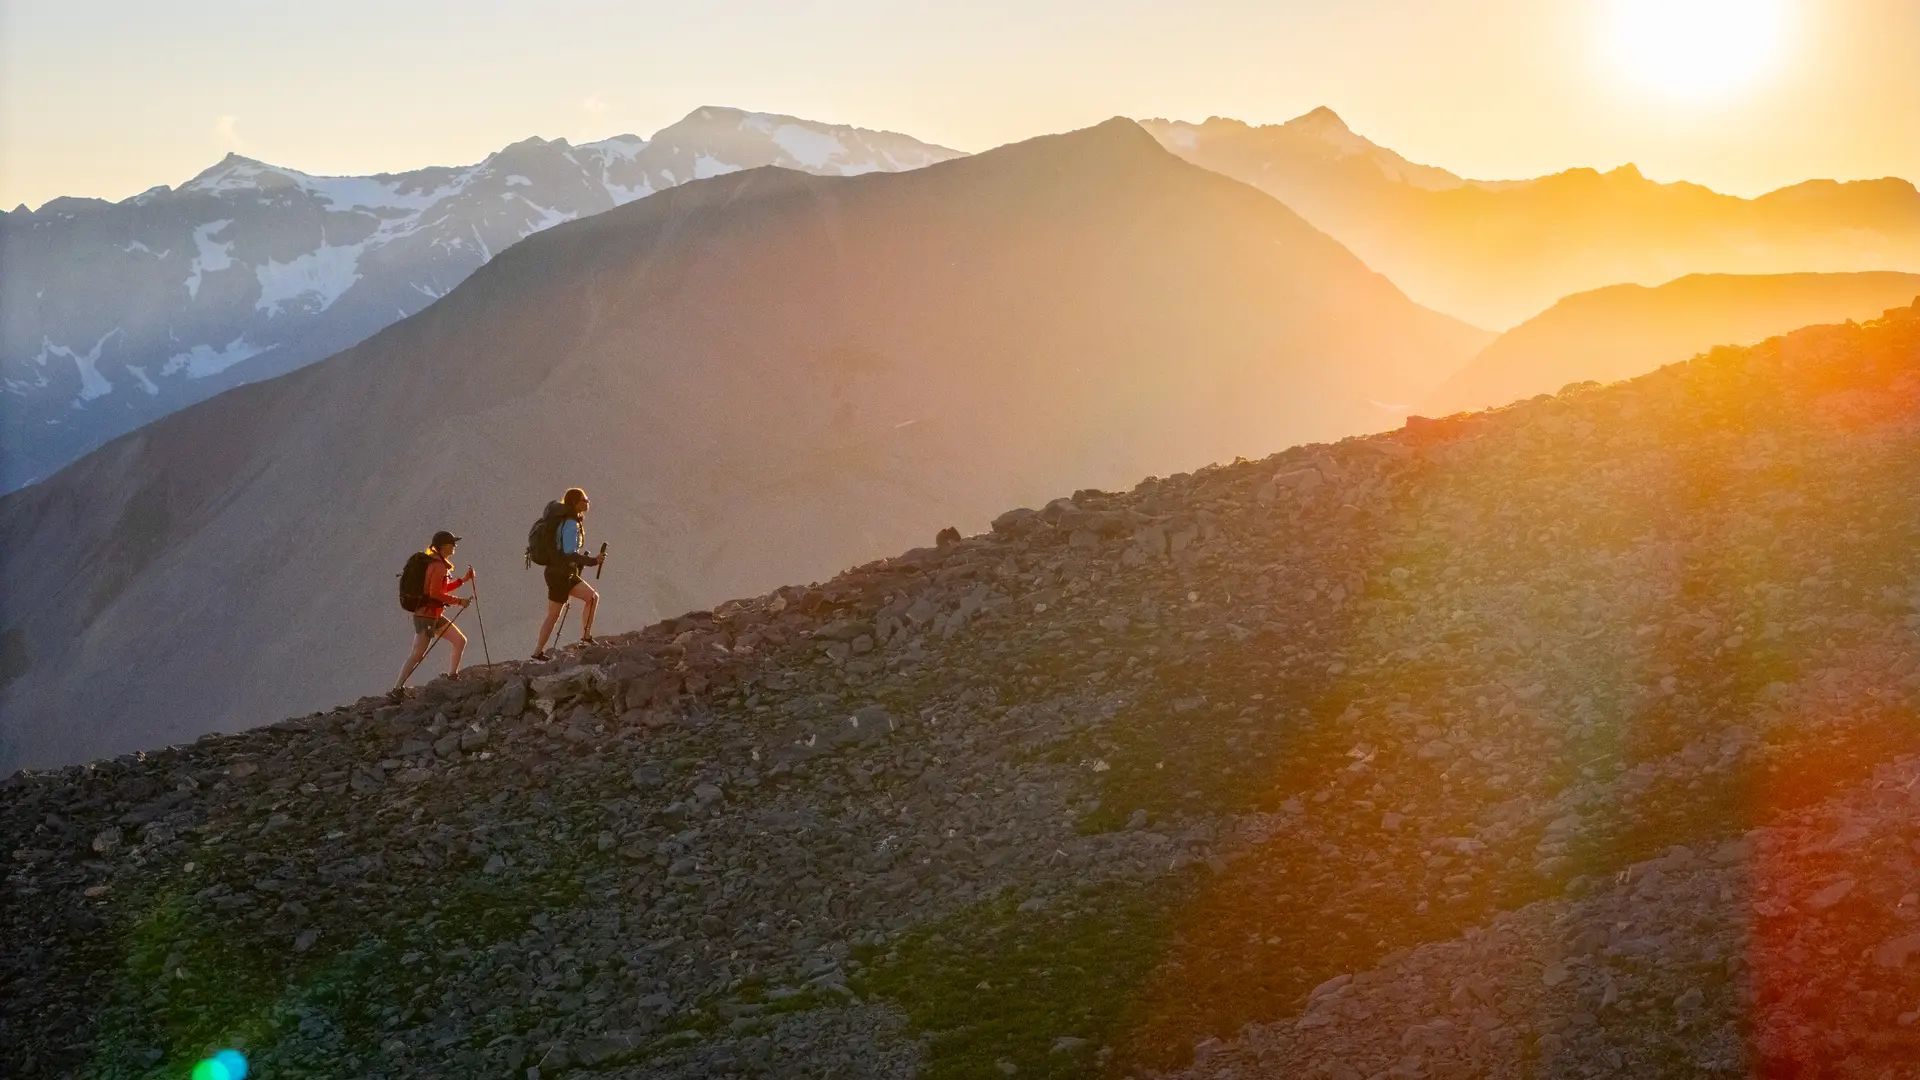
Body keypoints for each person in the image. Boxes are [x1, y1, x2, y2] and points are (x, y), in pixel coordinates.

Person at [396, 530, 473, 689]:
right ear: (443, 546)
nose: (454, 546)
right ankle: (397, 689)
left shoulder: (435, 563)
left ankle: (453, 675)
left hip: (431, 615)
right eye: (452, 544)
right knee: (417, 654)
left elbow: (440, 590)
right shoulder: (438, 566)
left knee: (459, 641)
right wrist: (460, 601)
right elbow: (435, 593)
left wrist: (463, 580)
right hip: (427, 617)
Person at [534, 488, 604, 659]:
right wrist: (593, 561)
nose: (587, 502)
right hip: (562, 574)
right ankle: (584, 639)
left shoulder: (566, 520)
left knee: (556, 614)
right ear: (574, 502)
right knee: (589, 599)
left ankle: (538, 652)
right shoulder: (571, 523)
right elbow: (568, 552)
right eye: (584, 500)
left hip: (557, 572)